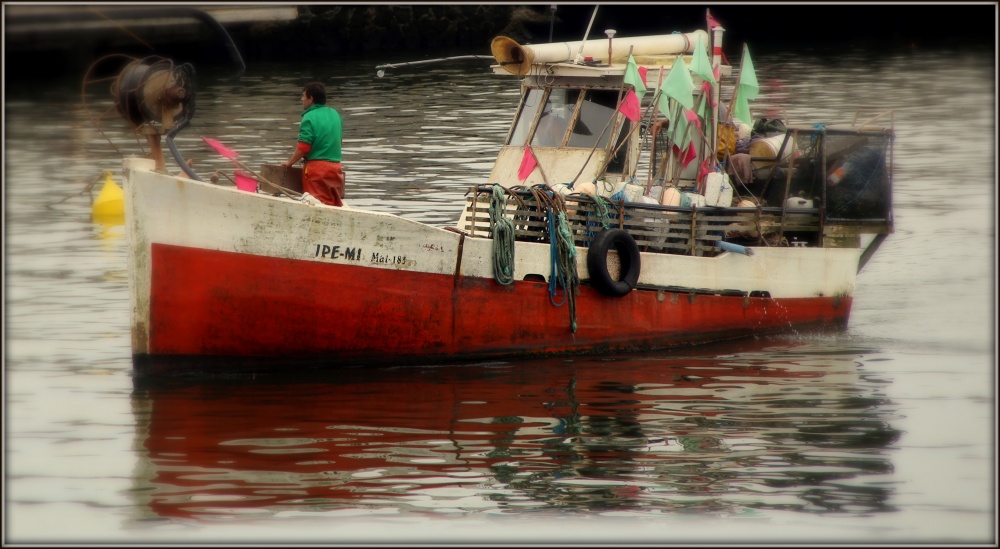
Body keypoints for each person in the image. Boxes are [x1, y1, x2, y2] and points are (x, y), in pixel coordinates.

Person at [281, 82, 345, 206]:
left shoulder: (308, 117)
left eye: (303, 96)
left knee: (316, 204)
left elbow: (304, 147)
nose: (301, 99)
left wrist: (290, 163)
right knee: (333, 204)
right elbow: (339, 141)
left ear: (311, 99)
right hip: (336, 167)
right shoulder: (335, 114)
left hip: (317, 170)